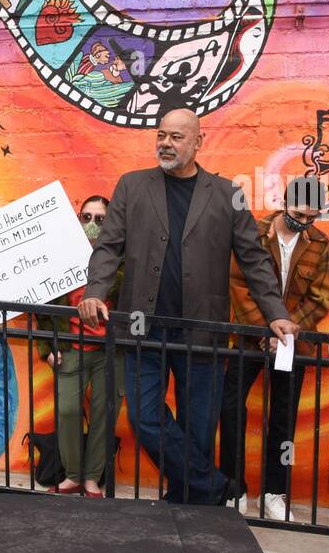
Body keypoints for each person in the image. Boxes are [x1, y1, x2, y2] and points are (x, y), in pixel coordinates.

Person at [79, 108, 297, 505]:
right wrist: (95, 290)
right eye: (161, 135)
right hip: (143, 327)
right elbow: (109, 247)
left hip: (203, 330)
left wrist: (276, 313)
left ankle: (186, 504)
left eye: (177, 136)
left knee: (198, 428)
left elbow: (253, 258)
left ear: (199, 141)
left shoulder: (228, 192)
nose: (166, 142)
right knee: (144, 417)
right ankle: (212, 487)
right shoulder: (132, 186)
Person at [219, 176, 329, 521]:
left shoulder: (320, 243)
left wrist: (286, 330)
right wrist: (266, 329)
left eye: (312, 217)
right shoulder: (253, 233)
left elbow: (320, 300)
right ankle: (233, 490)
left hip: (291, 345)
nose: (305, 221)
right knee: (231, 410)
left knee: (283, 419)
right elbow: (238, 286)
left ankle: (275, 493)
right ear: (285, 202)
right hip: (249, 338)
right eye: (300, 213)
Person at [36, 197, 124, 498]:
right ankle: (72, 476)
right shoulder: (60, 257)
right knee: (69, 411)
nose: (91, 224)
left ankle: (91, 479)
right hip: (71, 348)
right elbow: (44, 307)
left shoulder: (123, 259)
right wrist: (47, 347)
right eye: (86, 216)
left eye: (100, 219)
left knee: (104, 415)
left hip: (110, 351)